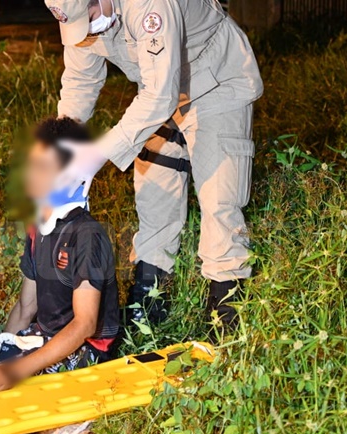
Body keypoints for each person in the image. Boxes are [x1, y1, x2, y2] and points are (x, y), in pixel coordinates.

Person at [44, 0, 263, 331]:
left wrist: (97, 154)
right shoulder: (79, 18)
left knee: (219, 199)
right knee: (153, 195)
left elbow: (160, 97)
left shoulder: (148, 4)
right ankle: (148, 305)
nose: (85, 30)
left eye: (87, 19)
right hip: (159, 92)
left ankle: (225, 314)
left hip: (216, 81)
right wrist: (64, 147)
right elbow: (79, 82)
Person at [0, 117, 120, 391]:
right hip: (45, 336)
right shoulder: (37, 227)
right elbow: (26, 307)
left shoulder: (87, 235)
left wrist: (15, 371)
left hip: (85, 349)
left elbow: (85, 325)